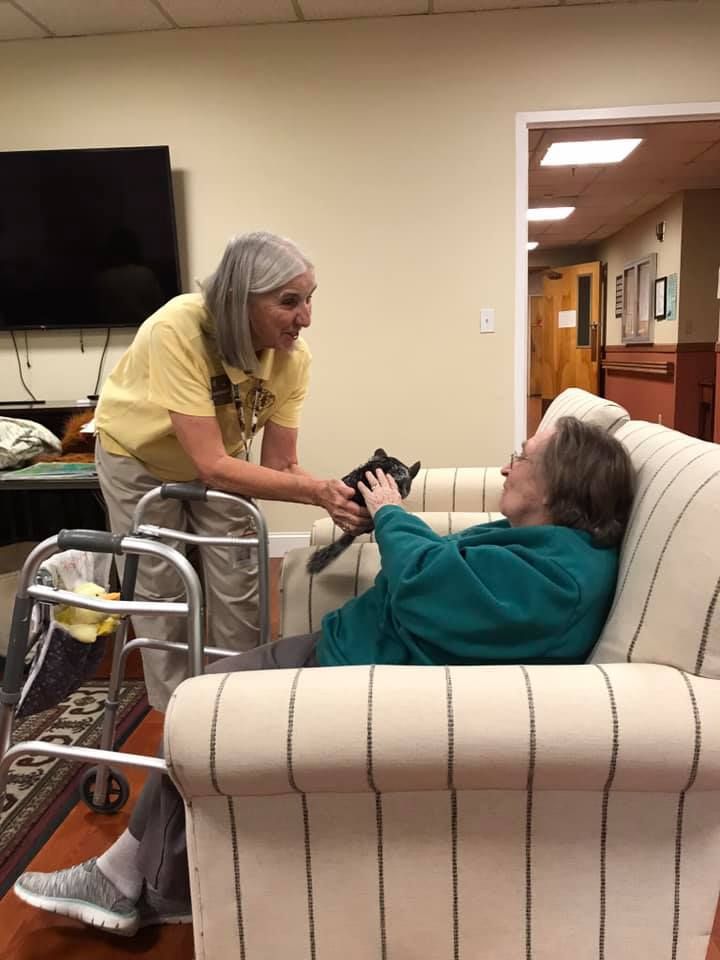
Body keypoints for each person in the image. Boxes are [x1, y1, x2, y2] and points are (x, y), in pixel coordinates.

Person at [14, 416, 635, 936]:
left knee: (199, 706)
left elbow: (427, 587)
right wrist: (386, 521)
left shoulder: (561, 579)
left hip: (361, 677)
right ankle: (155, 878)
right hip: (357, 652)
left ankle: (123, 879)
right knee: (202, 699)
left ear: (559, 482)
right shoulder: (553, 547)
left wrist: (392, 516)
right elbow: (452, 577)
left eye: (519, 458)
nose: (505, 468)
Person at [93, 231, 367, 712]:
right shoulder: (177, 327)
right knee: (161, 589)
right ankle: (179, 715)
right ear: (240, 299)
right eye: (289, 302)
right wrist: (317, 493)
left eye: (309, 299)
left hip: (220, 461)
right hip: (139, 457)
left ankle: (234, 708)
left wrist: (335, 496)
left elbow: (280, 465)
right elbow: (210, 465)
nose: (306, 318)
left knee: (239, 584)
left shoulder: (293, 358)